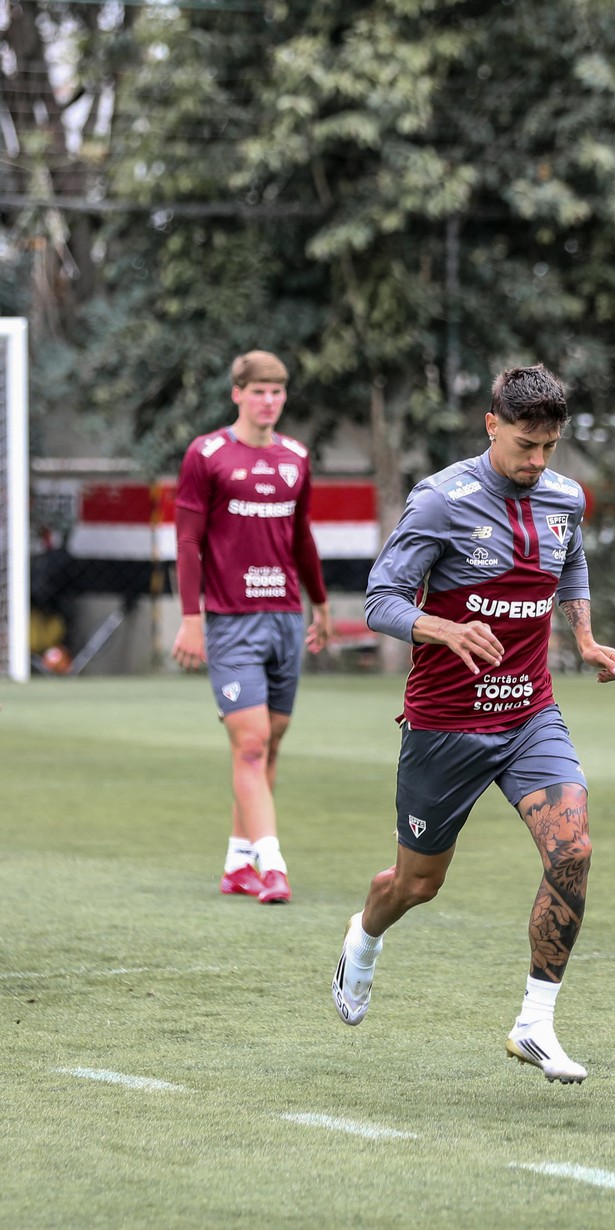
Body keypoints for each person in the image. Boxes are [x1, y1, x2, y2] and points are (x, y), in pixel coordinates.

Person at [331, 364, 615, 1083]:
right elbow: (380, 600)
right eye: (525, 444)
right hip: (446, 725)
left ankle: (535, 1023)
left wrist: (584, 638)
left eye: (549, 447)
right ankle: (363, 939)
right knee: (417, 885)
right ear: (491, 424)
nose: (536, 461)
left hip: (530, 713)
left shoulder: (563, 497)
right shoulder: (441, 501)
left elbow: (571, 561)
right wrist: (442, 628)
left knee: (573, 848)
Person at [171, 350, 331, 904]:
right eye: (258, 391)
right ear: (237, 393)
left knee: (272, 742)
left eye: (277, 392)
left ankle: (238, 861)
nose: (268, 401)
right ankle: (272, 864)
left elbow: (302, 537)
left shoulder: (296, 457)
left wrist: (322, 604)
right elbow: (188, 541)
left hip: (286, 617)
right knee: (251, 742)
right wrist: (191, 618)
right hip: (230, 622)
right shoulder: (207, 455)